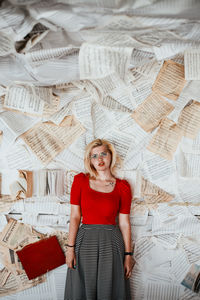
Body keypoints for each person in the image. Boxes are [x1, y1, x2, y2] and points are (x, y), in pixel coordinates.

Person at [64, 138, 134, 300]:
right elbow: (75, 217)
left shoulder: (123, 187)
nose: (99, 159)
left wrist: (128, 255)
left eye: (103, 154)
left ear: (111, 156)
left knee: (109, 288)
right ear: (89, 160)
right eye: (94, 156)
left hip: (112, 242)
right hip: (84, 240)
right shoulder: (80, 181)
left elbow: (124, 223)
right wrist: (70, 249)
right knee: (81, 289)